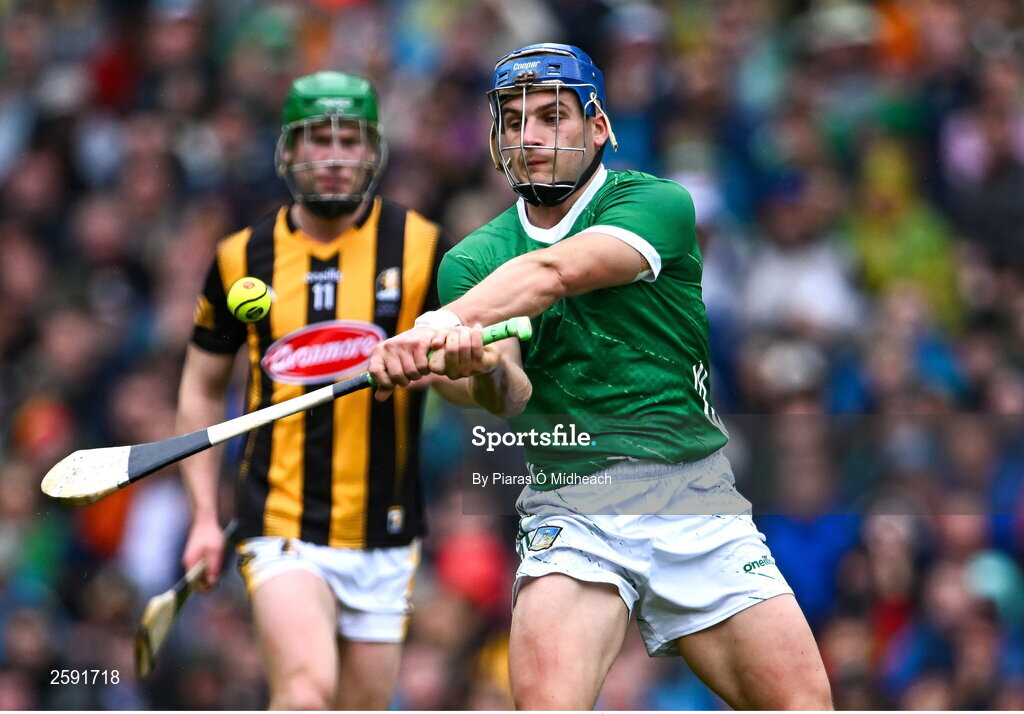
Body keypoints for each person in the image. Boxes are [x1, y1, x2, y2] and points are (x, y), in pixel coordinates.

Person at [369, 44, 834, 710]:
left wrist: (429, 325)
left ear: (598, 127)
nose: (530, 136)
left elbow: (554, 274)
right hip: (571, 502)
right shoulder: (473, 262)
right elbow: (508, 391)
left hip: (692, 495)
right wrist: (467, 362)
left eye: (552, 116)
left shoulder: (656, 205)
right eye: (514, 120)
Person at [178, 71, 448, 710]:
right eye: (315, 139)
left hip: (386, 530)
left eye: (349, 140)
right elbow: (198, 389)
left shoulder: (422, 248)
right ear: (287, 151)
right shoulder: (241, 258)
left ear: (374, 150)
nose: (332, 157)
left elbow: (461, 386)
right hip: (279, 519)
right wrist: (202, 515)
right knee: (305, 695)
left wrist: (456, 368)